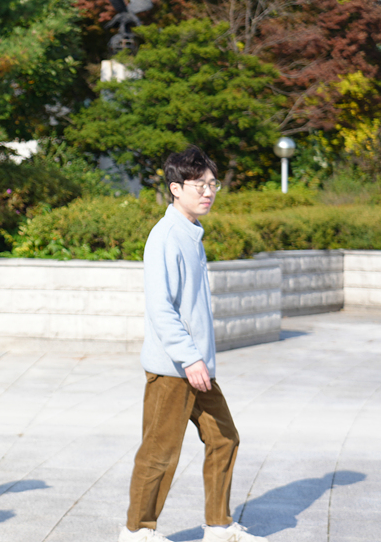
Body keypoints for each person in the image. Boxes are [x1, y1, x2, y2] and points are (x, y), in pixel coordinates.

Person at [119, 146, 265, 542]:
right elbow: (161, 308)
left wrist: (197, 361)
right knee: (159, 453)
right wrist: (189, 358)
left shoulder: (190, 234)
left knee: (225, 437)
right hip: (173, 369)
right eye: (199, 185)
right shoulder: (166, 236)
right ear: (175, 188)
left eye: (212, 183)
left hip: (195, 367)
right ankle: (137, 531)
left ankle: (218, 526)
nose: (208, 192)